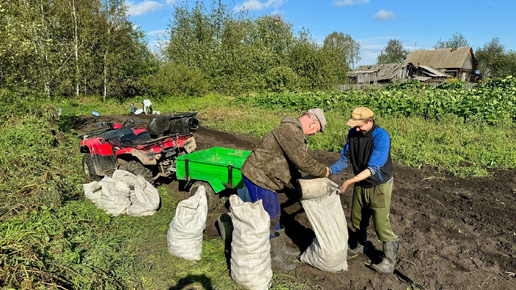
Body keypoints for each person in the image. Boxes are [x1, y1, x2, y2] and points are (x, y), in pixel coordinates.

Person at [240, 108, 330, 270]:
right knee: (269, 216)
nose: (315, 134)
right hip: (258, 176)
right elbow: (302, 161)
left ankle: (280, 249)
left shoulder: (292, 131)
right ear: (312, 122)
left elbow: (292, 163)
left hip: (268, 177)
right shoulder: (289, 131)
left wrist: (297, 182)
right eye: (317, 130)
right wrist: (323, 170)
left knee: (275, 213)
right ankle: (273, 256)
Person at [329, 107, 399, 274]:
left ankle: (389, 261)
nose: (356, 129)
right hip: (361, 184)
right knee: (357, 218)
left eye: (359, 126)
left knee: (381, 223)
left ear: (370, 121)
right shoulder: (353, 134)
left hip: (379, 185)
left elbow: (374, 167)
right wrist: (329, 170)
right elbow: (347, 158)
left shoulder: (381, 136)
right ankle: (360, 245)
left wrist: (350, 181)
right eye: (355, 126)